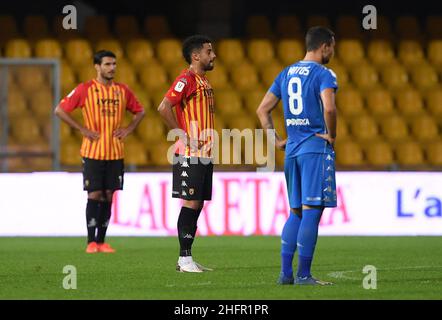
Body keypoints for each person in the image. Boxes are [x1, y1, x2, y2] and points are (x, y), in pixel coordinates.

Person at [256, 26, 338, 285]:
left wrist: (275, 141)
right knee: (312, 211)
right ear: (324, 46)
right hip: (314, 148)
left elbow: (262, 110)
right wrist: (332, 135)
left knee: (296, 212)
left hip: (291, 150)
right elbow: (330, 108)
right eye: (332, 47)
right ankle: (304, 274)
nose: (332, 52)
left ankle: (285, 274)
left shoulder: (286, 72)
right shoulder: (324, 74)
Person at [55, 50, 145, 253]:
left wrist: (129, 129)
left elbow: (141, 111)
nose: (112, 68)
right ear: (97, 66)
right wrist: (82, 129)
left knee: (108, 195)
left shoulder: (122, 90)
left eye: (114, 64)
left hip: (115, 153)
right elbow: (59, 110)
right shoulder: (85, 89)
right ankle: (90, 242)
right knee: (94, 194)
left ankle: (102, 241)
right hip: (92, 152)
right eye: (107, 64)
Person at [157, 35, 216, 273]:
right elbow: (163, 107)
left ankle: (188, 257)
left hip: (204, 152)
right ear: (196, 56)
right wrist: (183, 135)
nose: (213, 55)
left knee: (198, 203)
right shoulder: (186, 79)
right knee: (191, 202)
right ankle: (184, 259)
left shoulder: (204, 81)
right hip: (190, 152)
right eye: (209, 51)